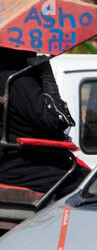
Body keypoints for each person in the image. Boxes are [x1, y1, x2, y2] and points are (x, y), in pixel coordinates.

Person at [0, 47, 82, 195]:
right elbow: (55, 122)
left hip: (13, 160)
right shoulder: (18, 79)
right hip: (22, 162)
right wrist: (47, 74)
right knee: (94, 186)